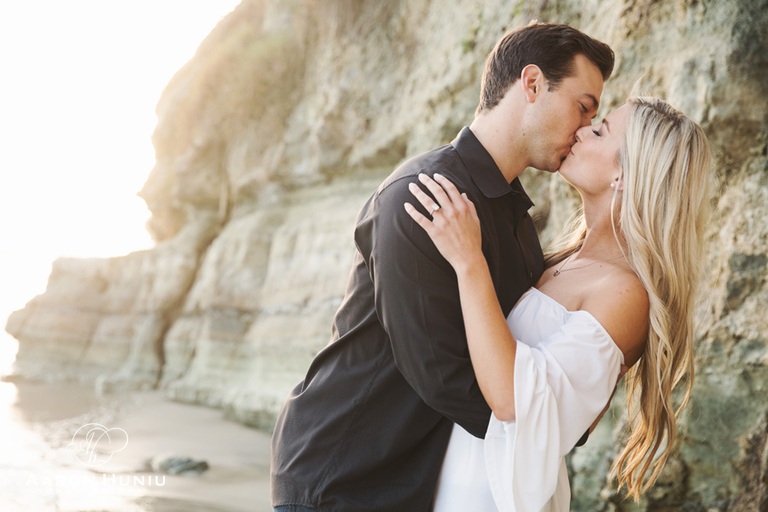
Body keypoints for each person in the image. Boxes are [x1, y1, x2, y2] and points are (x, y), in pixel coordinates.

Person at [271, 22, 615, 511]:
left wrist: (568, 396)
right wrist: (553, 416)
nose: (584, 129)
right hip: (343, 475)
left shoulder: (515, 216)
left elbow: (512, 349)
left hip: (418, 478)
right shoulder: (425, 195)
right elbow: (441, 372)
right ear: (533, 84)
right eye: (583, 106)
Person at [405, 97, 712, 510]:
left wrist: (469, 260)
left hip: (493, 495)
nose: (582, 130)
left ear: (625, 174)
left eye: (600, 130)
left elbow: (513, 401)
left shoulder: (625, 294)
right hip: (448, 479)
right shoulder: (562, 261)